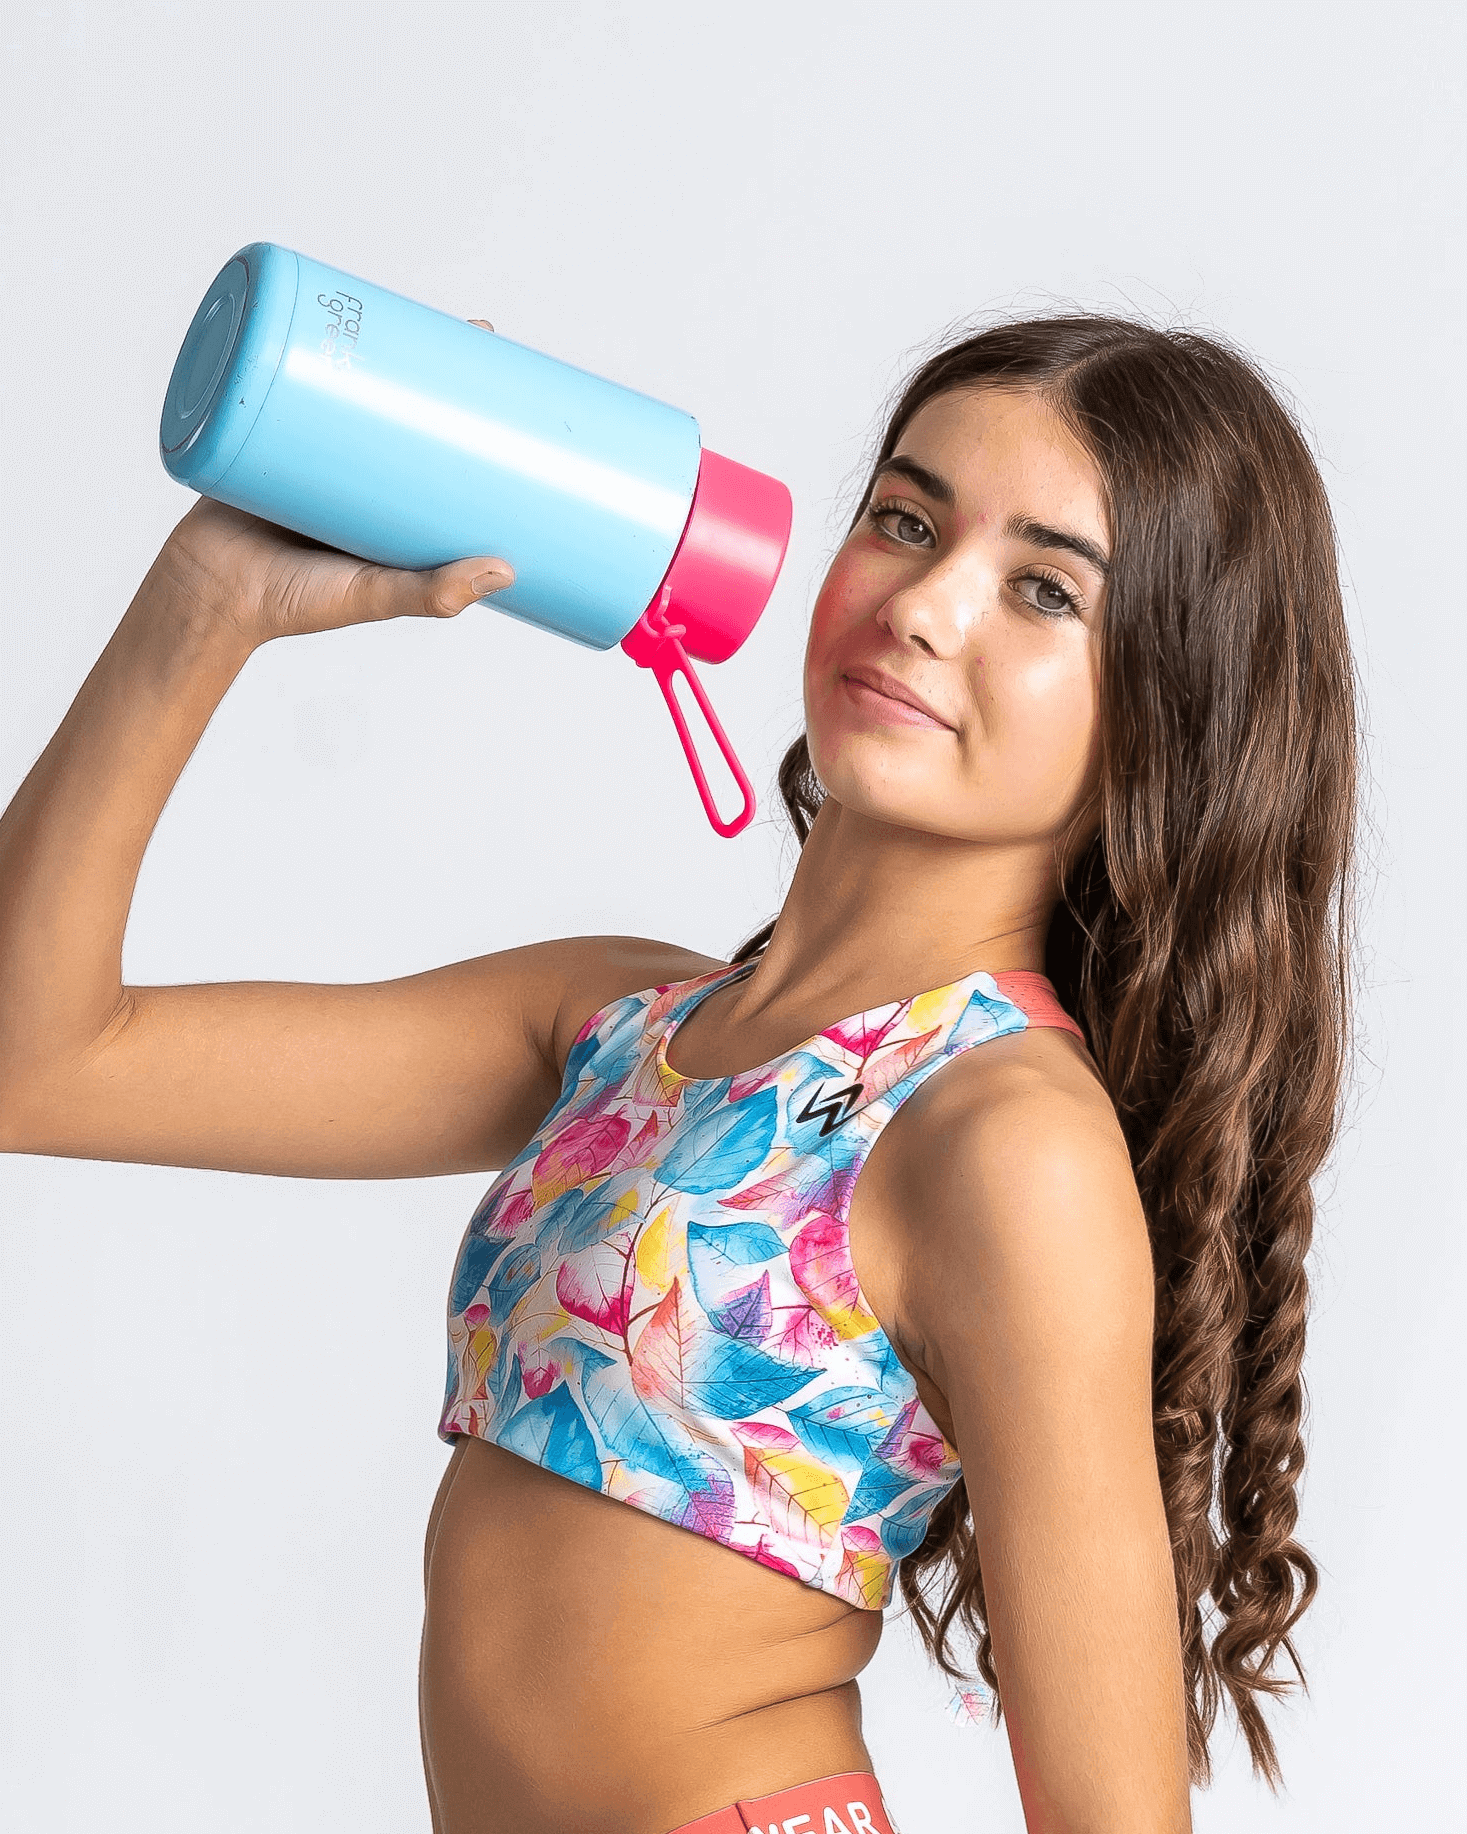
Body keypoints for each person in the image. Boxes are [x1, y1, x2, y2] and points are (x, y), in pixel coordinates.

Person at [0, 309, 1357, 1834]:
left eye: (1042, 589)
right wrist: (210, 598)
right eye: (904, 519)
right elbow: (37, 1058)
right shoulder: (620, 1024)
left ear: (1160, 716)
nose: (922, 605)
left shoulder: (1002, 1134)